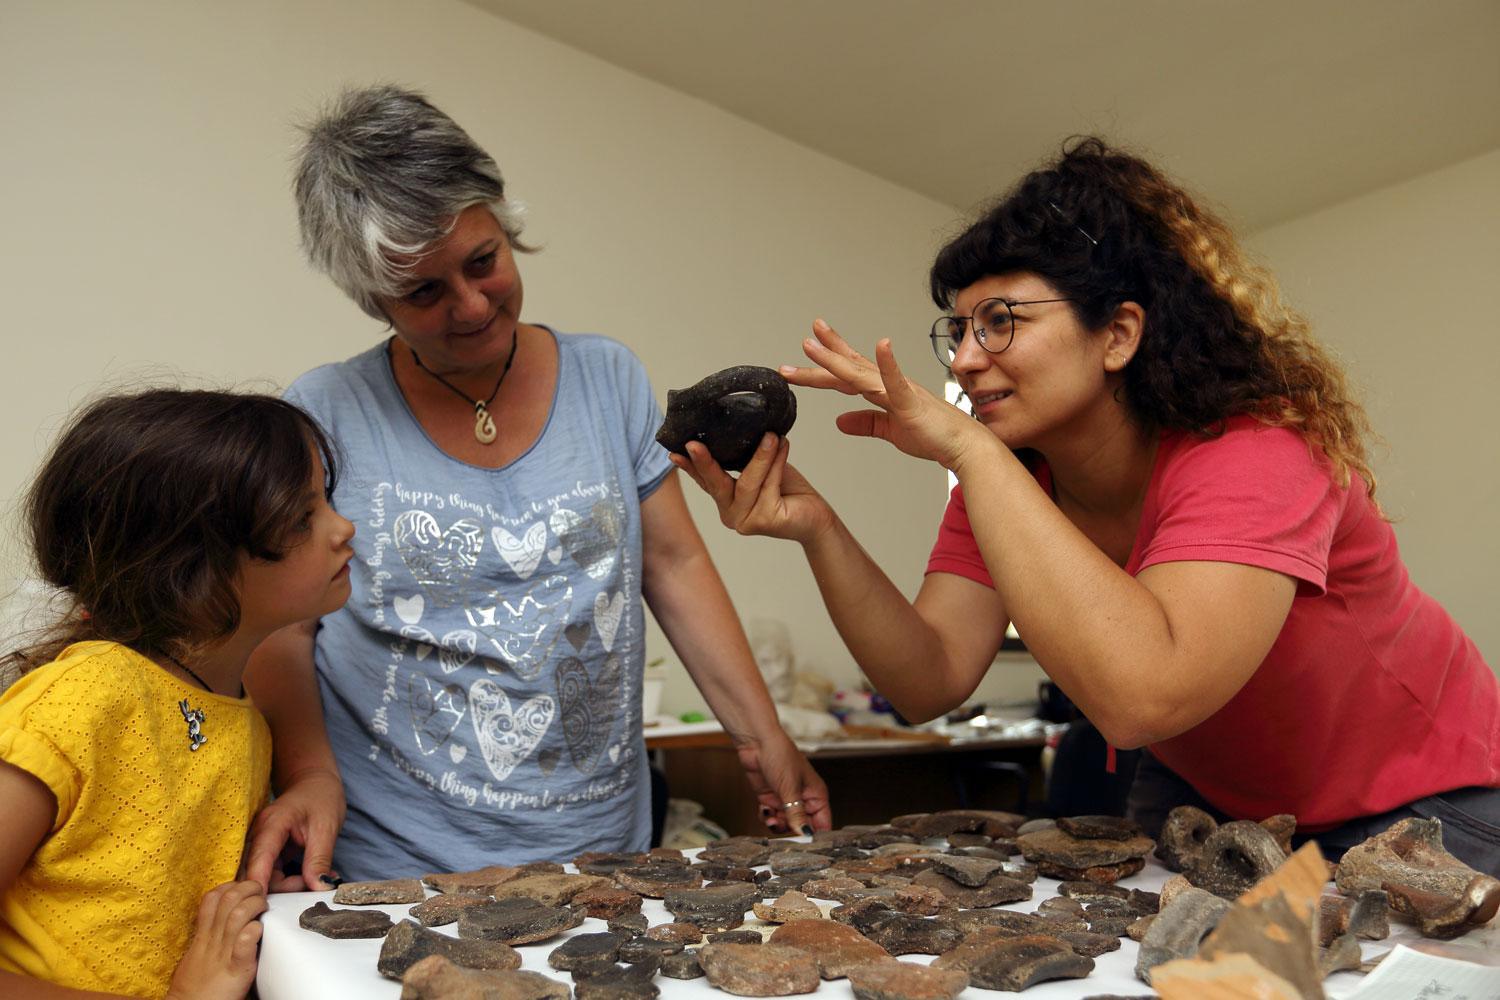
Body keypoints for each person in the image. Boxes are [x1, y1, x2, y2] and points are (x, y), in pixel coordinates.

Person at [674, 137, 1500, 869]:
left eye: (998, 321)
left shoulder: (1257, 449)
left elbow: (1144, 698)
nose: (963, 360)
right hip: (1216, 794)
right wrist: (818, 527)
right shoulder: (1017, 481)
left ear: (1119, 334)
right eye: (955, 330)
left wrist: (966, 450)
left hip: (1420, 801)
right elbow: (928, 679)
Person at [243, 85, 829, 886]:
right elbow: (284, 627)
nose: (474, 305)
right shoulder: (323, 412)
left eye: (483, 262)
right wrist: (311, 775)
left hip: (602, 854)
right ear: (372, 299)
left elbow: (674, 566)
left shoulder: (608, 378)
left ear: (501, 222)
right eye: (424, 293)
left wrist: (761, 737)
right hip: (396, 862)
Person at [0, 390, 355, 998]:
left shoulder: (235, 712)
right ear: (192, 571)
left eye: (327, 501)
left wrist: (248, 913)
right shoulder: (82, 698)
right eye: (302, 518)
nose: (343, 528)